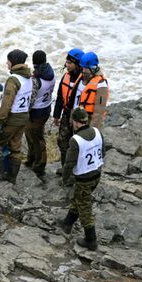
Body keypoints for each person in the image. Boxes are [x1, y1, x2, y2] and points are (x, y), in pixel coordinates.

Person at [0, 49, 33, 183]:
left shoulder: (13, 80)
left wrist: (1, 121)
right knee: (16, 147)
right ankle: (12, 177)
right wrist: (3, 89)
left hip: (12, 119)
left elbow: (6, 104)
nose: (6, 63)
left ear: (13, 62)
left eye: (8, 61)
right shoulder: (28, 77)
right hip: (23, 117)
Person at [61, 108, 104, 251]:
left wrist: (66, 178)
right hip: (97, 174)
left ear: (75, 122)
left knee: (85, 207)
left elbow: (69, 163)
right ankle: (67, 223)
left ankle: (91, 239)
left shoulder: (76, 140)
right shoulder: (97, 132)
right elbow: (102, 152)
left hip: (84, 178)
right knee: (79, 199)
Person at [53, 48, 84, 177]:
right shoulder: (66, 76)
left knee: (77, 144)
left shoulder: (84, 80)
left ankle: (76, 170)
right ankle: (65, 167)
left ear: (77, 64)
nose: (67, 65)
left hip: (78, 117)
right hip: (66, 114)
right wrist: (56, 115)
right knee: (62, 141)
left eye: (70, 63)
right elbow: (60, 96)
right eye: (66, 62)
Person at [24, 50, 56, 181]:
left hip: (36, 112)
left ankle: (39, 166)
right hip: (46, 108)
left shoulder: (36, 80)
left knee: (36, 139)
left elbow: (30, 100)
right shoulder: (50, 73)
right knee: (32, 135)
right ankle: (32, 159)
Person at [76, 51, 109, 130]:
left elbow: (99, 110)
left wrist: (93, 129)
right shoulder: (82, 77)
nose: (83, 70)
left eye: (85, 68)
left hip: (89, 120)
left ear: (92, 68)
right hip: (79, 118)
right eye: (82, 67)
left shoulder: (101, 84)